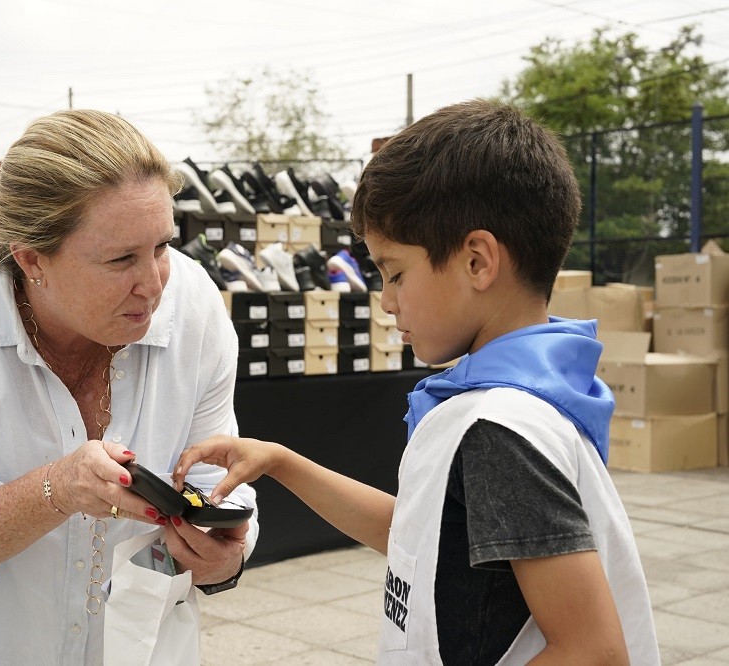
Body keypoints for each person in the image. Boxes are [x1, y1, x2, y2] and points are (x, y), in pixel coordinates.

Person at [173, 100, 660, 665]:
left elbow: (593, 652)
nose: (385, 301)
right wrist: (282, 462)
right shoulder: (518, 403)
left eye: (396, 272)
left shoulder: (501, 431)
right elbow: (420, 537)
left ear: (478, 262)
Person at [0, 109, 259, 664]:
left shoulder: (193, 304)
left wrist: (228, 553)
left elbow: (217, 476)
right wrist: (56, 488)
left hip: (132, 639)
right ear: (31, 257)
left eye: (161, 247)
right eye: (121, 258)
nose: (153, 286)